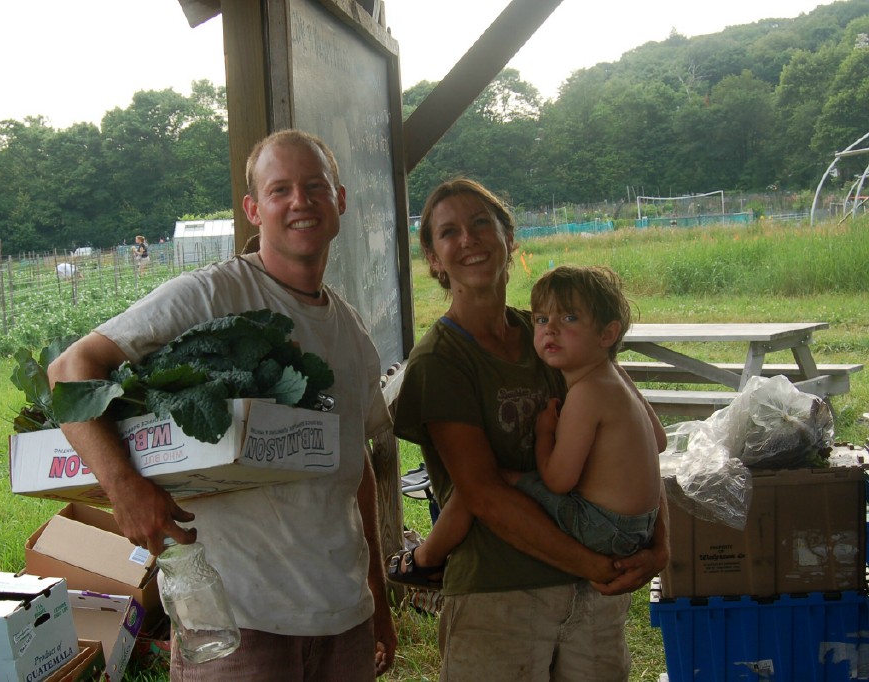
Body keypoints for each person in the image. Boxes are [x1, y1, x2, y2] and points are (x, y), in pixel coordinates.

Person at [48, 129, 397, 680]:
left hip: (344, 618)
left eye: (315, 186)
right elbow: (70, 369)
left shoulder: (351, 332)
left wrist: (376, 600)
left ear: (341, 200)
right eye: (280, 190)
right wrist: (123, 487)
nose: (300, 201)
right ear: (254, 210)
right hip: (237, 625)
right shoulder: (213, 295)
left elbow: (357, 473)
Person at [389, 178, 668, 682]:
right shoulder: (441, 359)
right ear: (433, 258)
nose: (469, 239)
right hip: (499, 597)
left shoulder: (556, 335)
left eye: (481, 223)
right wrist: (594, 564)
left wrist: (659, 548)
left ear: (509, 238)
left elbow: (642, 439)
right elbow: (484, 495)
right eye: (449, 232)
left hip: (591, 598)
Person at [389, 264, 663, 583]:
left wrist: (544, 434)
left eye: (569, 318)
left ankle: (427, 558)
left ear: (608, 334)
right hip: (641, 526)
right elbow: (659, 440)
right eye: (542, 319)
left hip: (603, 529)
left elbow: (558, 481)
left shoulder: (585, 395)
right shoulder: (610, 379)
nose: (551, 329)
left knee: (493, 482)